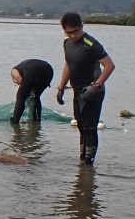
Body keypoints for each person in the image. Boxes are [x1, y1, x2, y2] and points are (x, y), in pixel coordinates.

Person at [54, 12, 115, 166]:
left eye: (76, 31)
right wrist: (61, 87)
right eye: (68, 33)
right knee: (81, 125)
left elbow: (109, 65)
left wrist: (96, 86)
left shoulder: (91, 44)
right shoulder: (67, 43)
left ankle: (89, 163)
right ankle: (82, 163)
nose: (73, 35)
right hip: (77, 91)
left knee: (90, 127)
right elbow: (69, 65)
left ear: (82, 26)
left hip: (92, 91)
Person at [10, 59, 54, 124]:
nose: (18, 84)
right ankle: (37, 120)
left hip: (33, 69)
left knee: (21, 97)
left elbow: (17, 77)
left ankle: (15, 120)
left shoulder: (14, 70)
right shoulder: (22, 68)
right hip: (48, 70)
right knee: (36, 96)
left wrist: (24, 89)